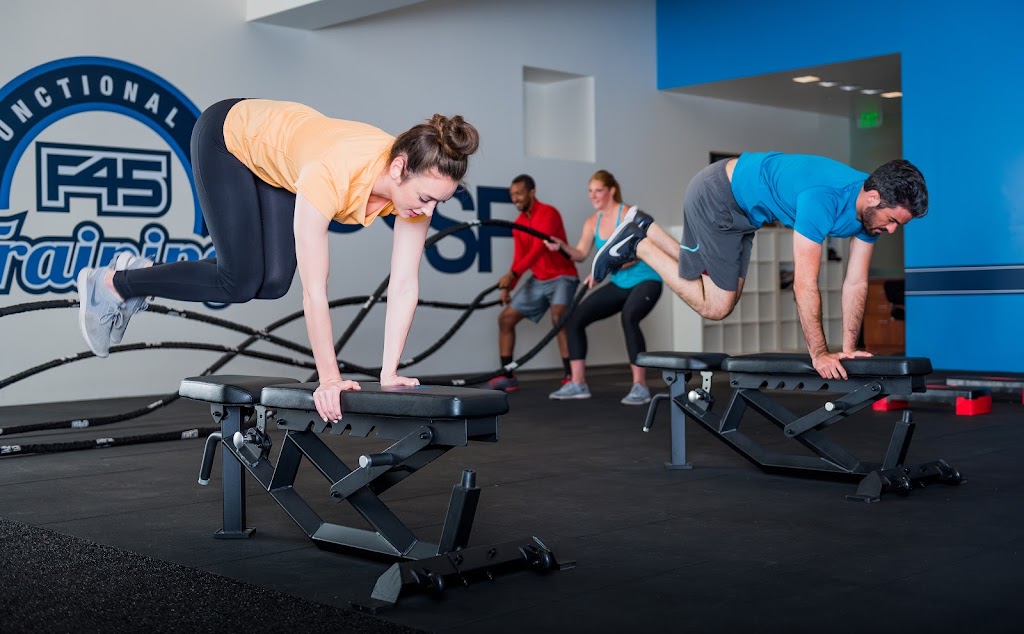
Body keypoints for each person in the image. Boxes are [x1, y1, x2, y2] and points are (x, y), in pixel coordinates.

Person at [76, 98, 479, 423]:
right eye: (426, 198)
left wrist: (389, 372)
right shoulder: (332, 173)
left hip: (282, 161)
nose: (429, 209)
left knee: (271, 283)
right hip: (229, 136)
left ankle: (139, 274)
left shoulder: (414, 189)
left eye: (439, 202)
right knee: (238, 280)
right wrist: (329, 379)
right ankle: (112, 284)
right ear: (398, 169)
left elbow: (405, 283)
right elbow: (315, 290)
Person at [589, 153, 928, 380]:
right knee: (716, 305)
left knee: (712, 287)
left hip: (745, 212)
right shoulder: (822, 199)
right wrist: (820, 354)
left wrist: (850, 348)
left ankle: (644, 228)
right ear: (872, 197)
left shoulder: (872, 216)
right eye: (892, 220)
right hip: (719, 194)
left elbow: (856, 282)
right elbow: (803, 283)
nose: (892, 230)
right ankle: (641, 245)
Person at [544, 170, 663, 404]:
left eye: (598, 190)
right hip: (619, 284)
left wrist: (605, 269)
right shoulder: (592, 222)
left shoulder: (628, 213)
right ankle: (578, 383)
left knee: (629, 317)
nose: (593, 195)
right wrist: (561, 246)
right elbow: (580, 253)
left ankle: (640, 386)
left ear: (611, 191)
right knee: (575, 319)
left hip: (647, 281)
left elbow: (642, 250)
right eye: (590, 191)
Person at [486, 175, 579, 391]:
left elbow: (539, 249)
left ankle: (571, 376)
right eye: (512, 195)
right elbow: (519, 258)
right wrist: (509, 286)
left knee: (559, 316)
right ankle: (507, 376)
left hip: (562, 276)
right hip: (539, 279)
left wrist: (513, 274)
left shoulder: (549, 213)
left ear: (532, 192)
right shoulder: (518, 224)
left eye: (518, 193)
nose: (515, 198)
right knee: (506, 319)